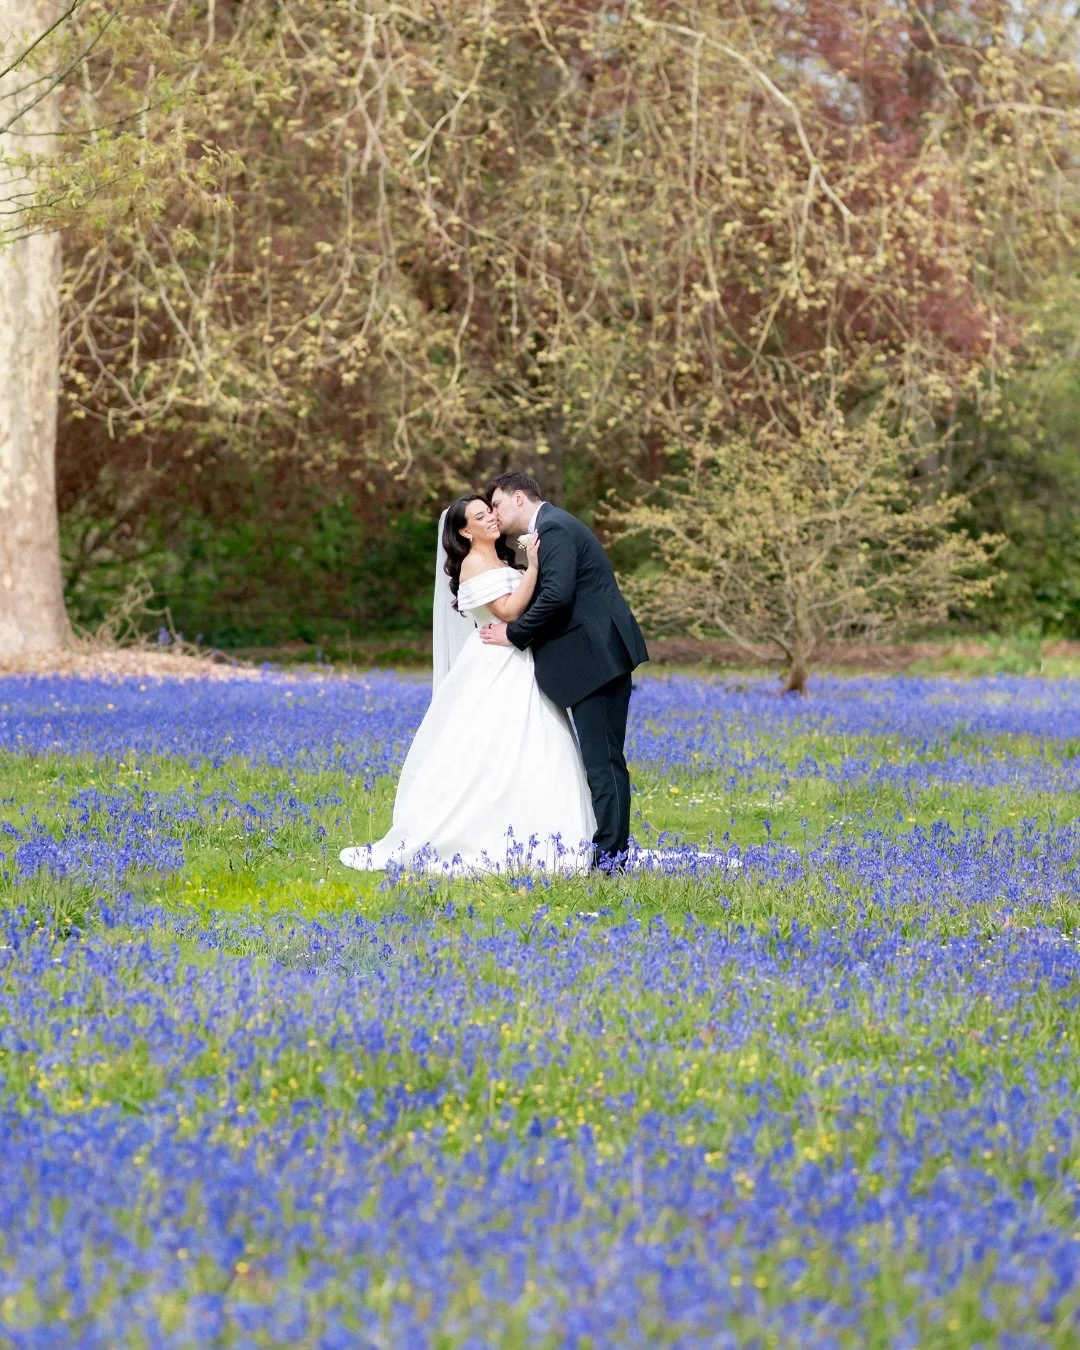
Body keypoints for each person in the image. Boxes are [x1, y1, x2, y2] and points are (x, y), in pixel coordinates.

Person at [339, 494, 596, 874]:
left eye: (490, 511)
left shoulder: (501, 559)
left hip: (521, 659)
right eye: (480, 516)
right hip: (496, 664)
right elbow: (508, 611)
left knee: (540, 744)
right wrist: (535, 567)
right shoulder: (474, 564)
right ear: (464, 530)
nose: (492, 518)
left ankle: (546, 830)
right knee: (492, 747)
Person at [481, 472, 649, 869]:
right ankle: (609, 852)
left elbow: (557, 596)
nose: (495, 514)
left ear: (519, 497)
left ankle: (610, 860)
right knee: (602, 761)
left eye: (498, 505)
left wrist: (513, 632)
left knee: (604, 763)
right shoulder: (554, 526)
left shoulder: (554, 528)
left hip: (598, 661)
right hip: (593, 659)